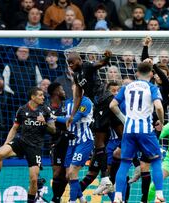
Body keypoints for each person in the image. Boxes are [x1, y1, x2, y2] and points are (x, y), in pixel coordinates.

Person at [0, 87, 56, 203]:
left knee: (33, 180)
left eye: (43, 95)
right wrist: (6, 144)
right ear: (33, 97)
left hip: (35, 147)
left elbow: (53, 130)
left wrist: (44, 123)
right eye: (40, 95)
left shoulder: (46, 110)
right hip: (21, 142)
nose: (43, 97)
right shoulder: (22, 110)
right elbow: (14, 128)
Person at [66, 50, 122, 194]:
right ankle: (108, 179)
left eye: (72, 62)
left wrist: (108, 56)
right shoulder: (77, 75)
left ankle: (105, 179)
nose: (71, 65)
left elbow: (101, 63)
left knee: (99, 143)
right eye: (69, 64)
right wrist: (72, 115)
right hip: (103, 104)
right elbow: (78, 95)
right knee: (120, 134)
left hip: (103, 101)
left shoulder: (87, 66)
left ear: (79, 59)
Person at [109, 61, 165, 202]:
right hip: (145, 130)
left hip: (129, 130)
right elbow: (158, 107)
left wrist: (124, 119)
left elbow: (112, 105)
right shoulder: (152, 87)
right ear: (151, 74)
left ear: (137, 73)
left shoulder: (127, 87)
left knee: (125, 163)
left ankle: (118, 196)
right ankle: (159, 195)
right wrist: (162, 121)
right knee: (156, 160)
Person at [63, 84, 94, 203]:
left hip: (84, 140)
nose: (77, 89)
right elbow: (66, 121)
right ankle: (82, 199)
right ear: (72, 88)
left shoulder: (86, 102)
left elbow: (73, 119)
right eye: (75, 86)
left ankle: (72, 201)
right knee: (68, 175)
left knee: (72, 172)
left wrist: (52, 117)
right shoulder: (67, 103)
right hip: (71, 142)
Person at [47, 82, 70, 203]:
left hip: (70, 143)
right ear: (56, 92)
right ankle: (56, 199)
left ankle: (57, 198)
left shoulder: (67, 106)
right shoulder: (47, 109)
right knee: (57, 173)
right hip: (56, 143)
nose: (64, 91)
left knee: (66, 174)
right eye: (62, 89)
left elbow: (71, 119)